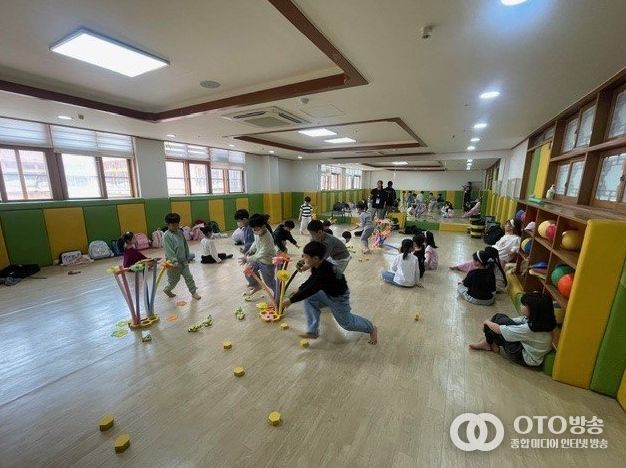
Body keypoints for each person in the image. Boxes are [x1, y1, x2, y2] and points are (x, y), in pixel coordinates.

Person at [281, 241, 378, 344]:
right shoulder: (318, 265)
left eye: (306, 256)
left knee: (347, 324)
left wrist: (291, 301)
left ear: (315, 258)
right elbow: (312, 280)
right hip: (326, 292)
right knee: (309, 299)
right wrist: (300, 289)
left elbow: (311, 289)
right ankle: (312, 331)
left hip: (338, 298)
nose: (303, 258)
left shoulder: (324, 272)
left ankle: (372, 328)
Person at [469, 292, 556, 367]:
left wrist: (487, 322)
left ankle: (488, 342)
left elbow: (499, 330)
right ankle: (490, 342)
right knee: (499, 319)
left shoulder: (530, 329)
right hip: (530, 352)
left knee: (498, 321)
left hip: (523, 357)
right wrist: (498, 322)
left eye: (524, 305)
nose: (521, 306)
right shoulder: (543, 323)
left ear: (534, 310)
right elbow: (518, 320)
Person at [451, 218, 522, 271]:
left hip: (499, 260)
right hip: (492, 255)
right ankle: (461, 267)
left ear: (512, 227)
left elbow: (514, 251)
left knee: (478, 261)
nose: (505, 225)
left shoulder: (517, 239)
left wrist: (512, 252)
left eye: (507, 224)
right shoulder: (506, 235)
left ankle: (461, 267)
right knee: (477, 257)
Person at [163, 213, 200, 300]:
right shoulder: (166, 235)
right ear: (167, 224)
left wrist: (187, 256)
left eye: (177, 224)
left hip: (183, 261)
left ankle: (193, 292)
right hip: (173, 264)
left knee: (189, 277)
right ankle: (167, 289)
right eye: (173, 225)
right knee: (174, 280)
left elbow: (185, 245)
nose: (176, 226)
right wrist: (174, 261)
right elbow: (169, 250)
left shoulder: (180, 232)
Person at [239, 213, 276, 297]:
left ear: (263, 226)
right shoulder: (257, 232)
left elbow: (262, 253)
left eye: (256, 229)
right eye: (253, 229)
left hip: (267, 261)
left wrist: (247, 259)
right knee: (248, 271)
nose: (254, 231)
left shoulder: (267, 238)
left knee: (269, 282)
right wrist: (251, 250)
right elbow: (256, 242)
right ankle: (256, 285)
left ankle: (278, 293)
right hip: (258, 259)